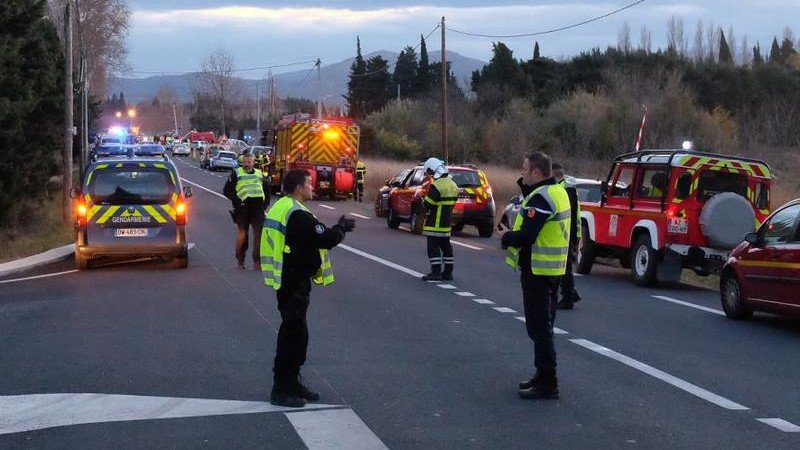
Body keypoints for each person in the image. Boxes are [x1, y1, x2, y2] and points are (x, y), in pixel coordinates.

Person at [261, 169, 355, 407]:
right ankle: (281, 389)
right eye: (309, 184)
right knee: (292, 336)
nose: (313, 187)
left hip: (289, 279)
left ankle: (292, 382)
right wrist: (342, 227)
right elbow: (326, 238)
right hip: (293, 282)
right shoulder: (297, 214)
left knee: (298, 335)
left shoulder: (283, 206)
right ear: (298, 188)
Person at [501, 151, 571, 400]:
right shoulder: (556, 191)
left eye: (524, 169)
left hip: (539, 270)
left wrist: (506, 238)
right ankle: (542, 375)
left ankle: (548, 382)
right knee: (543, 326)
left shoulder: (541, 198)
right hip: (552, 270)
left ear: (536, 172)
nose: (521, 172)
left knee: (539, 328)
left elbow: (527, 235)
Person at [223, 153, 271, 269]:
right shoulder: (236, 173)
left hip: (258, 208)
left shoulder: (259, 173)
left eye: (249, 161)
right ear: (242, 162)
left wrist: (265, 205)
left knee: (259, 235)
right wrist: (238, 201)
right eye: (245, 161)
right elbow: (227, 190)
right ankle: (241, 260)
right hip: (242, 208)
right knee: (243, 235)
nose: (247, 163)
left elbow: (267, 190)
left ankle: (257, 262)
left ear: (253, 162)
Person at [420, 157, 459, 281]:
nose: (430, 176)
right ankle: (448, 273)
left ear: (433, 170)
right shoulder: (453, 184)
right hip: (447, 223)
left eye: (430, 173)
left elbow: (428, 204)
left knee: (433, 247)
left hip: (435, 223)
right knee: (446, 247)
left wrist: (423, 199)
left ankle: (436, 272)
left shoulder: (436, 186)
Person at [552, 164, 582, 310]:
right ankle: (571, 293)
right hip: (569, 233)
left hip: (565, 233)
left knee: (564, 268)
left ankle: (568, 297)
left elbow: (567, 215)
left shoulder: (565, 189)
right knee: (563, 267)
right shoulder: (568, 187)